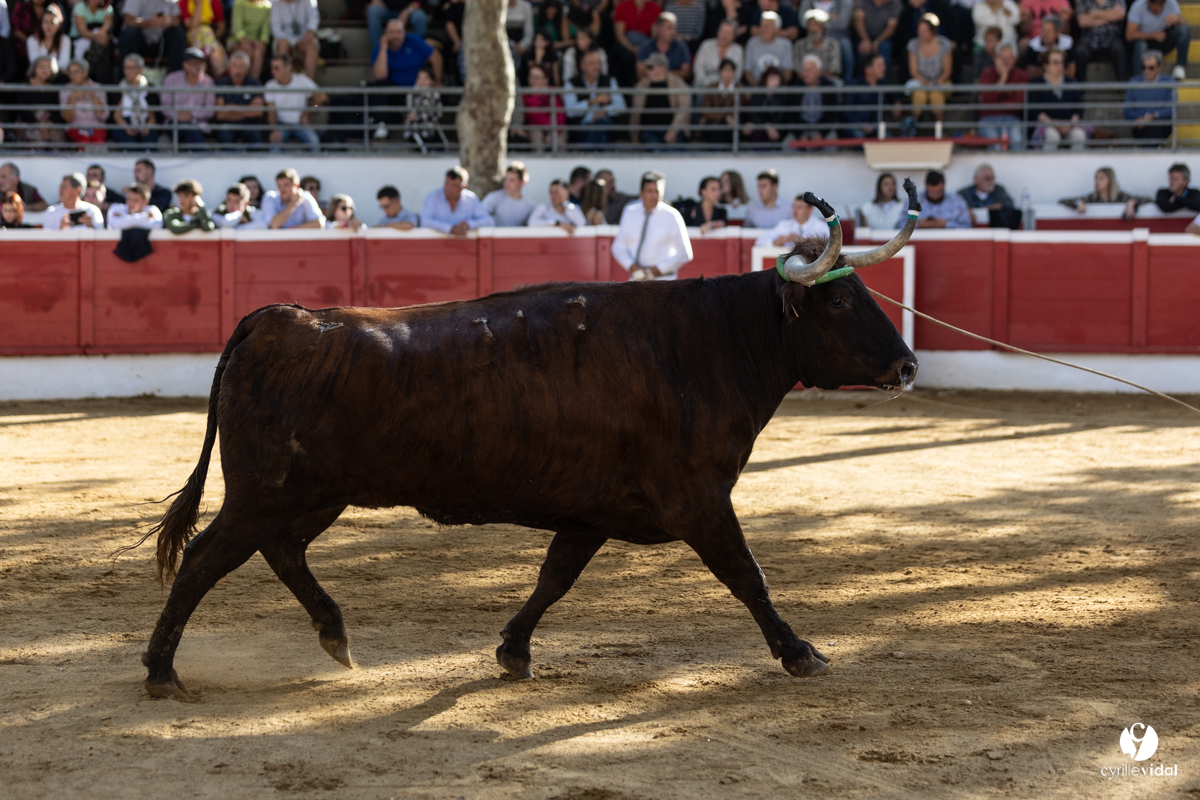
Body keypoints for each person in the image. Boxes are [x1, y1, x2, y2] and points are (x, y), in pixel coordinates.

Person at [612, 171, 693, 281]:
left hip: (663, 282)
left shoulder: (672, 215)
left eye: (657, 191)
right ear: (641, 193)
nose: (654, 196)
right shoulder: (630, 212)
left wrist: (657, 270)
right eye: (650, 191)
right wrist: (632, 267)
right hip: (637, 281)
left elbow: (685, 253)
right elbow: (619, 246)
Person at [565, 49, 627, 145]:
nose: (596, 67)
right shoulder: (571, 83)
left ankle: (590, 155)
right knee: (596, 131)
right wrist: (592, 101)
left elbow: (621, 106)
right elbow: (570, 111)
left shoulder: (609, 80)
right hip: (582, 127)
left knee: (601, 124)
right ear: (582, 66)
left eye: (598, 63)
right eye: (592, 64)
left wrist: (604, 111)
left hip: (605, 124)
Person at [1029, 48, 1087, 150]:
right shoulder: (1036, 84)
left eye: (1061, 62)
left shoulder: (1071, 83)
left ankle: (1075, 165)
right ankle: (1048, 165)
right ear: (1045, 65)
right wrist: (1056, 125)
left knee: (1079, 136)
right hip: (1047, 126)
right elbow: (1035, 111)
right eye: (1055, 62)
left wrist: (1070, 124)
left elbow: (1079, 108)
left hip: (1069, 126)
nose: (1059, 65)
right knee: (1052, 136)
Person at [264, 53, 324, 151]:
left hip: (300, 123)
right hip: (281, 124)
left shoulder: (301, 80)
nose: (273, 71)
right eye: (272, 68)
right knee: (274, 146)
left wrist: (307, 114)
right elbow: (271, 113)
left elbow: (321, 97)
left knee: (314, 142)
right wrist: (274, 130)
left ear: (288, 68)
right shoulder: (270, 85)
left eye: (277, 68)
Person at [631, 52, 689, 146]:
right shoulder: (642, 84)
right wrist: (634, 135)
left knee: (674, 154)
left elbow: (684, 108)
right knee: (654, 152)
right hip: (649, 131)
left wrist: (673, 131)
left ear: (662, 68)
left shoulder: (677, 82)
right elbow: (635, 112)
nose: (647, 71)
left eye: (650, 67)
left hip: (673, 129)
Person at [161, 47, 216, 147]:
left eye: (201, 63)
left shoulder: (208, 82)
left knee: (190, 129)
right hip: (175, 124)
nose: (198, 66)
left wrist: (192, 115)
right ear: (185, 65)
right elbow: (165, 106)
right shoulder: (171, 79)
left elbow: (210, 110)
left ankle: (198, 155)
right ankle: (202, 155)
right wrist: (177, 114)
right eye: (194, 63)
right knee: (188, 129)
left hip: (199, 126)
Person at [978, 42, 1028, 149]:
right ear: (995, 58)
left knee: (1017, 140)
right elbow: (987, 101)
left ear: (1015, 59)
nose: (1005, 62)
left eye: (1009, 58)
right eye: (1002, 58)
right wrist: (1003, 78)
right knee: (996, 144)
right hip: (988, 119)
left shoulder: (1022, 75)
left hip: (1012, 119)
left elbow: (1018, 103)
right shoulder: (986, 74)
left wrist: (997, 96)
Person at [1125, 0, 1190, 81]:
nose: (1158, 6)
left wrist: (1177, 21)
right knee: (1140, 45)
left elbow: (1184, 23)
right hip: (1146, 41)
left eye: (1161, 3)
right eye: (1155, 3)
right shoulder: (1138, 6)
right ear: (1148, 2)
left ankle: (1180, 67)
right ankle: (1139, 78)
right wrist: (1153, 35)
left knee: (1184, 30)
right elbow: (1129, 35)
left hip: (1164, 39)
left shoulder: (1171, 3)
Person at [906, 13, 952, 124]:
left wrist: (935, 83)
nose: (922, 33)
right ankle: (913, 128)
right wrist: (926, 82)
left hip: (941, 81)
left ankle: (940, 129)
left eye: (925, 30)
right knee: (919, 95)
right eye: (920, 30)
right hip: (921, 81)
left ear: (933, 30)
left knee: (936, 94)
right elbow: (913, 71)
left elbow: (947, 71)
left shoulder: (944, 43)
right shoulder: (913, 44)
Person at [842, 52, 900, 138]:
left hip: (876, 128)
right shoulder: (854, 86)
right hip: (857, 127)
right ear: (868, 69)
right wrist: (861, 125)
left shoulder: (884, 84)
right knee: (859, 138)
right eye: (879, 65)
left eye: (883, 65)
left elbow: (894, 98)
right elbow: (846, 112)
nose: (884, 68)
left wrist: (897, 102)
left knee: (888, 140)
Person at [421, 166, 494, 234]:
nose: (449, 188)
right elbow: (425, 221)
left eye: (454, 185)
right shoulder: (433, 196)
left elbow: (488, 221)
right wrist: (449, 228)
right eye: (447, 183)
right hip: (437, 246)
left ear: (464, 186)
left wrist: (469, 225)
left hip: (465, 245)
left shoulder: (471, 199)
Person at [120, 0, 187, 73]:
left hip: (163, 44)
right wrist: (148, 22)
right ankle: (123, 78)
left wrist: (169, 21)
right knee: (130, 32)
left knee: (178, 32)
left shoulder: (172, 1)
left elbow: (177, 20)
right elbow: (128, 21)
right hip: (141, 44)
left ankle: (178, 78)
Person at [214, 50, 265, 147]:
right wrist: (247, 110)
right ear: (229, 67)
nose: (238, 70)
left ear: (247, 69)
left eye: (242, 66)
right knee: (224, 136)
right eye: (235, 66)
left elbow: (258, 111)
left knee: (255, 138)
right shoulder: (221, 83)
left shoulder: (254, 83)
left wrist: (232, 108)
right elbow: (220, 114)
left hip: (248, 125)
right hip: (227, 125)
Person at [1124, 51, 1176, 141]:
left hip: (1161, 124)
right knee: (1150, 127)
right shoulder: (1134, 82)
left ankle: (1149, 152)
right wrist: (1142, 118)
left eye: (1151, 68)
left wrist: (1152, 117)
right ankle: (1153, 152)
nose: (1146, 71)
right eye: (1144, 67)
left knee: (1155, 126)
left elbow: (1171, 109)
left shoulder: (1169, 82)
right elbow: (1127, 111)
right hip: (1139, 124)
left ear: (1160, 67)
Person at [1058, 166, 1149, 217]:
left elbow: (1148, 200)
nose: (1097, 182)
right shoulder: (1093, 198)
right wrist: (1078, 202)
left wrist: (1132, 202)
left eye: (1101, 179)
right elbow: (1062, 201)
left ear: (1110, 181)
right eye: (1096, 179)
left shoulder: (1120, 197)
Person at [15, 56, 66, 146]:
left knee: (56, 137)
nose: (45, 70)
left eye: (48, 67)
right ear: (34, 68)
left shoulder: (54, 88)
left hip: (48, 123)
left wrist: (50, 123)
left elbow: (56, 110)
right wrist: (38, 125)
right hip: (29, 123)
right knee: (36, 138)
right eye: (42, 67)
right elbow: (23, 110)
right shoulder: (25, 85)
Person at [110, 54, 158, 148]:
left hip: (145, 122)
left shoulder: (149, 88)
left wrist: (147, 127)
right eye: (126, 68)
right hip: (125, 123)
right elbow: (116, 115)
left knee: (150, 142)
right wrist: (127, 127)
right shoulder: (118, 88)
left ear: (140, 69)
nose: (127, 71)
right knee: (127, 142)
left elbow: (153, 115)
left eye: (131, 68)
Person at [1075, 0, 1129, 82]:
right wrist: (1109, 17)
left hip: (1112, 38)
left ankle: (1122, 88)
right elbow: (1082, 21)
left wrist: (1095, 13)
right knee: (1080, 51)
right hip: (1089, 39)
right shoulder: (1083, 1)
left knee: (1119, 50)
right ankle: (1080, 89)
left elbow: (1120, 14)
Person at [613, 0, 663, 85]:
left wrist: (643, 49)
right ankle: (625, 90)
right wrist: (632, 49)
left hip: (646, 45)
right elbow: (620, 35)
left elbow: (654, 35)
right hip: (627, 45)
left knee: (654, 55)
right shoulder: (622, 7)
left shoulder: (655, 9)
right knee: (624, 56)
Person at [517, 63, 566, 150]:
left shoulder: (553, 93)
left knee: (560, 138)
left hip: (554, 128)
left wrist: (553, 133)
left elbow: (560, 116)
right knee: (536, 135)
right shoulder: (525, 95)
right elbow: (531, 116)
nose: (533, 80)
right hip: (535, 127)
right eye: (531, 77)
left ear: (545, 80)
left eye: (537, 77)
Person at [58, 59, 107, 146]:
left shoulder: (97, 87)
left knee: (98, 142)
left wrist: (92, 95)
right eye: (70, 72)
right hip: (75, 127)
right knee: (84, 140)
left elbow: (103, 115)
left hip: (96, 127)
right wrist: (72, 97)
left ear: (85, 73)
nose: (73, 76)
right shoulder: (65, 90)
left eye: (76, 72)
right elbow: (67, 118)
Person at [742, 65, 793, 145]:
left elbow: (781, 116)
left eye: (777, 78)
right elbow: (753, 114)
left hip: (777, 128)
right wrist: (766, 125)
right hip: (760, 126)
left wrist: (770, 126)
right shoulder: (757, 94)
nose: (774, 81)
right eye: (771, 77)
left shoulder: (783, 97)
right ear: (765, 79)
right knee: (755, 130)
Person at [792, 54, 839, 141]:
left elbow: (831, 115)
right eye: (804, 70)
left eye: (809, 70)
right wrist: (799, 135)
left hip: (822, 129)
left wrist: (821, 134)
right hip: (801, 130)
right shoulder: (796, 86)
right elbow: (791, 116)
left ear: (819, 71)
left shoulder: (828, 87)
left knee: (832, 142)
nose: (805, 73)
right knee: (786, 145)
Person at [902, 170, 971, 228]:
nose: (935, 195)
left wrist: (946, 224)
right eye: (931, 192)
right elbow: (899, 226)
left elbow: (967, 227)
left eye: (939, 191)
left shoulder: (957, 201)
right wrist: (918, 224)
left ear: (944, 185)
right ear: (926, 186)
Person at [798, 0, 854, 72]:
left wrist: (820, 23)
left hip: (838, 36)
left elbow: (842, 24)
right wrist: (830, 17)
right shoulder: (808, 2)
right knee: (801, 44)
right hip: (813, 35)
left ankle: (848, 81)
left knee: (845, 45)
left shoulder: (844, 2)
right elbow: (803, 22)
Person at [260, 168, 326, 228]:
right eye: (279, 185)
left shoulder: (305, 197)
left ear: (296, 185)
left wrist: (292, 229)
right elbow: (274, 224)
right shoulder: (270, 197)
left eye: (286, 185)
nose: (282, 189)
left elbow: (319, 223)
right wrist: (293, 203)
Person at [636, 12, 692, 81]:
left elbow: (686, 72)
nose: (673, 32)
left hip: (674, 84)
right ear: (659, 29)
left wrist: (662, 74)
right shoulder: (646, 46)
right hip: (650, 83)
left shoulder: (681, 46)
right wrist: (657, 76)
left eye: (674, 28)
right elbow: (640, 72)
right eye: (669, 28)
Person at [755, 195, 830, 246]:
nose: (795, 210)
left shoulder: (820, 226)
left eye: (799, 207)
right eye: (794, 206)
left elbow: (829, 247)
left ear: (810, 210)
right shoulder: (784, 224)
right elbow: (759, 241)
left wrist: (805, 242)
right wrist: (776, 242)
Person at [270, 0, 318, 79]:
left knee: (311, 43)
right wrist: (294, 42)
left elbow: (314, 19)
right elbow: (276, 30)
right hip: (285, 40)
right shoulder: (276, 3)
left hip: (304, 39)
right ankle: (283, 81)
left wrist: (308, 33)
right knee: (283, 44)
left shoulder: (309, 1)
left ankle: (310, 83)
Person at [70, 0, 115, 81]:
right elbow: (82, 31)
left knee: (103, 44)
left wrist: (100, 35)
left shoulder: (108, 9)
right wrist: (97, 37)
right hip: (79, 41)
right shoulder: (79, 7)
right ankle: (86, 76)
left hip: (100, 41)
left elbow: (107, 25)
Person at [744, 10, 793, 83]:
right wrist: (759, 91)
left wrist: (779, 90)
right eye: (762, 26)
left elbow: (788, 72)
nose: (764, 29)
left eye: (768, 26)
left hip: (779, 89)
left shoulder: (785, 44)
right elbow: (747, 72)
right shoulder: (752, 43)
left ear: (776, 29)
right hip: (757, 88)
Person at [180, 0, 226, 77]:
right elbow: (192, 26)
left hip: (211, 37)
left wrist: (210, 38)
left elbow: (221, 27)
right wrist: (199, 4)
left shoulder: (214, 2)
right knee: (204, 32)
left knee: (206, 33)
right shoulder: (183, 2)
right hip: (193, 38)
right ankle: (218, 72)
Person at [482, 162, 537, 226]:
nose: (507, 183)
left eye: (512, 180)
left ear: (522, 182)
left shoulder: (529, 206)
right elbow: (481, 218)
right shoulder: (493, 198)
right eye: (506, 179)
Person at [698, 58, 739, 144]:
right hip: (714, 122)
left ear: (734, 73)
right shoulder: (712, 88)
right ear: (719, 72)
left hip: (732, 123)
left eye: (730, 70)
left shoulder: (739, 89)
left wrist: (726, 117)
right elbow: (705, 109)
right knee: (713, 125)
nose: (727, 73)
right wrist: (724, 116)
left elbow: (741, 109)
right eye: (725, 70)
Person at [854, 0, 902, 71]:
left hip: (884, 38)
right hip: (864, 36)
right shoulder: (863, 1)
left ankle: (883, 80)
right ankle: (862, 79)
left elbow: (892, 26)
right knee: (863, 48)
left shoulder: (895, 4)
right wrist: (865, 39)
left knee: (884, 47)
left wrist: (878, 40)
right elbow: (858, 19)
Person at [1022, 14, 1075, 78]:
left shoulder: (1067, 43)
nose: (1045, 34)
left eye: (1048, 32)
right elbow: (1031, 73)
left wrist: (1050, 69)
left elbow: (1071, 72)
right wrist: (1053, 70)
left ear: (1057, 33)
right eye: (1043, 31)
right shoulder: (1034, 45)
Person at [694, 19, 743, 87]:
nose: (724, 35)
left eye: (728, 33)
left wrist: (724, 86)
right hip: (705, 86)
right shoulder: (706, 45)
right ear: (718, 31)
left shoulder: (738, 50)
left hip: (728, 88)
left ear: (733, 36)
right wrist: (711, 86)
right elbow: (698, 70)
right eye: (722, 31)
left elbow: (737, 74)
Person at [228, 0, 271, 79]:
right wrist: (244, 42)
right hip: (237, 41)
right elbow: (237, 26)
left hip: (256, 43)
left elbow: (266, 29)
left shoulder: (267, 6)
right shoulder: (239, 3)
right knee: (247, 52)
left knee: (258, 52)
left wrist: (261, 43)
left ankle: (253, 85)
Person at [795, 9, 841, 77]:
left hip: (827, 81)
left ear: (823, 27)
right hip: (806, 81)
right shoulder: (799, 45)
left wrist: (818, 80)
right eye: (810, 25)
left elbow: (834, 68)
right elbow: (798, 70)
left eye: (816, 25)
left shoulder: (833, 44)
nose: (813, 29)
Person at [27, 4, 69, 70]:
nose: (48, 26)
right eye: (45, 22)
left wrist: (44, 67)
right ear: (41, 24)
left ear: (59, 25)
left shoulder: (65, 40)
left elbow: (64, 64)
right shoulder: (32, 40)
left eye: (52, 22)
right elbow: (34, 63)